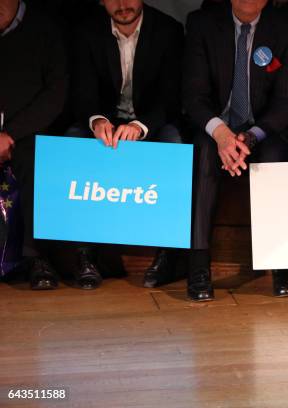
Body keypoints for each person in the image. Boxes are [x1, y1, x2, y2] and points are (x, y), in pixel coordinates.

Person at [183, 0, 288, 301]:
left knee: (275, 158)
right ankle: (198, 266)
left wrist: (249, 137)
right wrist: (222, 134)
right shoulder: (202, 23)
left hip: (263, 129)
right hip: (215, 127)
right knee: (202, 156)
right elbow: (192, 96)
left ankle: (281, 266)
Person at [67, 0, 184, 290]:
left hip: (150, 121)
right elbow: (81, 91)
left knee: (174, 142)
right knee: (73, 142)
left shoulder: (168, 30)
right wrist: (96, 120)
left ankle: (167, 255)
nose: (122, 4)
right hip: (105, 120)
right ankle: (84, 255)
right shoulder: (85, 31)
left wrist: (140, 126)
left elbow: (173, 96)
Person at [0, 0, 68, 290]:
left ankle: (36, 257)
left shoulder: (45, 30)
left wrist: (10, 134)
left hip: (26, 132)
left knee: (39, 160)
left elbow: (56, 93)